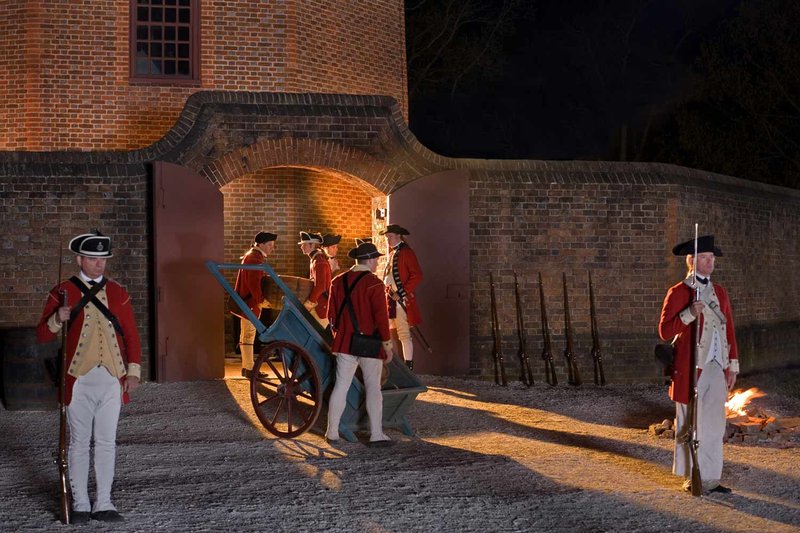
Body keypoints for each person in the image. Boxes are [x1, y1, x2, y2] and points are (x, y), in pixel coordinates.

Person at [36, 231, 142, 523]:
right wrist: (57, 319)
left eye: (103, 259)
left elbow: (132, 336)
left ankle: (104, 503)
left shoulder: (118, 292)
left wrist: (133, 371)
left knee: (107, 442)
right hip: (78, 379)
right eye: (93, 259)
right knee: (80, 443)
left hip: (112, 379)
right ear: (79, 260)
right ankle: (81, 504)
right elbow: (42, 335)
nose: (99, 264)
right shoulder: (62, 291)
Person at [658, 234, 738, 494]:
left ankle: (711, 478)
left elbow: (729, 329)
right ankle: (691, 476)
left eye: (711, 258)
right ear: (691, 262)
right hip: (691, 367)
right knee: (690, 424)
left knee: (715, 425)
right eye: (704, 258)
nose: (710, 262)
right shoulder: (679, 292)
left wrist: (732, 366)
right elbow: (665, 331)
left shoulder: (720, 292)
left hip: (716, 364)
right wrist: (689, 313)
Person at [325, 242, 394, 446]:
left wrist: (340, 334)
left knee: (340, 387)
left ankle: (332, 432)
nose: (377, 263)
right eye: (376, 259)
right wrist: (387, 345)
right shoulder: (374, 283)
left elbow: (331, 316)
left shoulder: (337, 281)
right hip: (369, 343)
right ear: (370, 260)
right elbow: (381, 319)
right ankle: (376, 434)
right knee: (373, 388)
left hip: (345, 342)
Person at [233, 231, 277, 378]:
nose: (272, 248)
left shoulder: (252, 256)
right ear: (261, 244)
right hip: (250, 302)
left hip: (248, 302)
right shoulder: (254, 258)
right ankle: (249, 368)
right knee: (248, 334)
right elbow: (254, 284)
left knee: (247, 334)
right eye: (269, 245)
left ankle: (247, 367)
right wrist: (260, 300)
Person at [380, 224, 423, 371]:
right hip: (390, 300)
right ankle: (388, 363)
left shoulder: (406, 252)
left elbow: (417, 275)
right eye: (386, 237)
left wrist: (401, 293)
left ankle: (408, 367)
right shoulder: (393, 253)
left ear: (399, 236)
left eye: (390, 237)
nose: (388, 240)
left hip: (400, 301)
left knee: (404, 334)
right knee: (386, 332)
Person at [298, 231, 331, 328]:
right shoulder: (316, 260)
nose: (301, 247)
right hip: (318, 306)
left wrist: (309, 303)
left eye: (304, 244)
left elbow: (320, 287)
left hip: (320, 306)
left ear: (312, 245)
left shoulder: (319, 261)